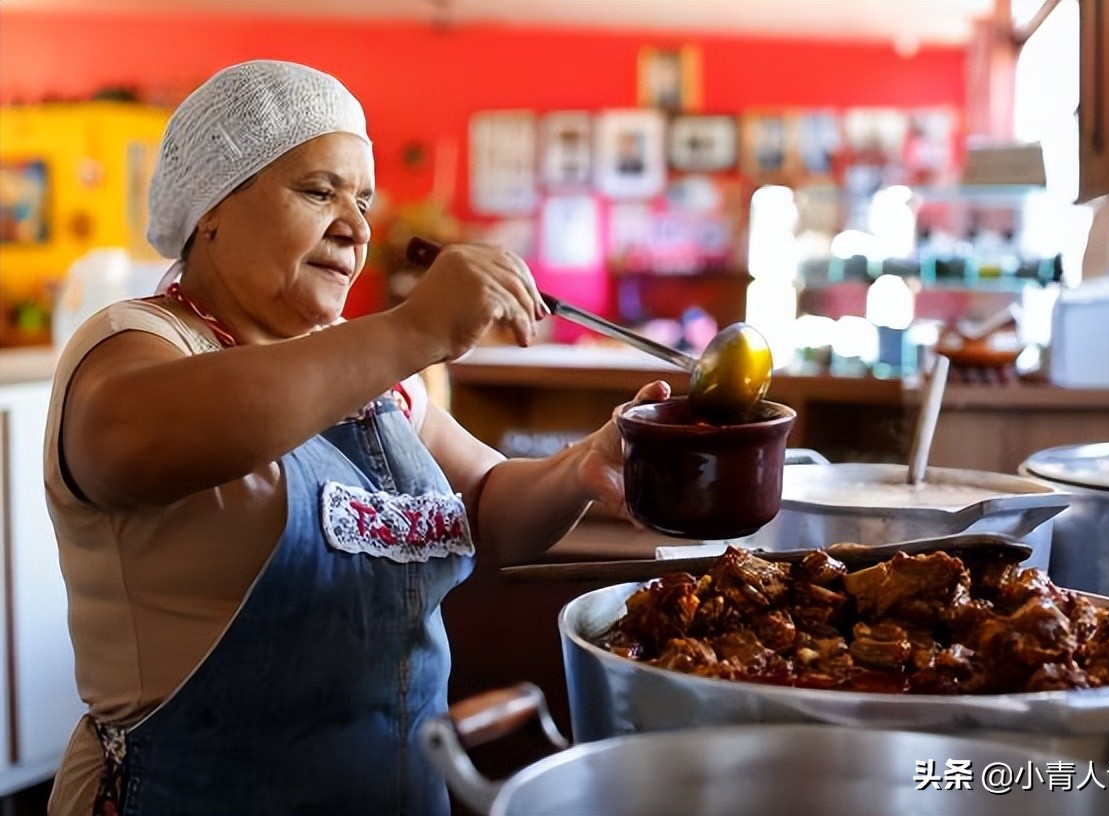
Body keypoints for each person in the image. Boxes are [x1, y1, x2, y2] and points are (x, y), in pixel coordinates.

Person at [43, 59, 668, 816]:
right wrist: (411, 329)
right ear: (211, 207)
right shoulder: (137, 344)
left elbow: (491, 501)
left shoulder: (368, 374)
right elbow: (126, 444)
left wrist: (581, 467)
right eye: (318, 191)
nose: (357, 227)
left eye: (364, 201)